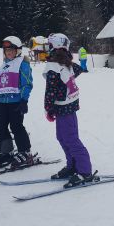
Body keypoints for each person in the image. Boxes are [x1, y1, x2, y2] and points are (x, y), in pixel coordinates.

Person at [44, 33, 93, 188]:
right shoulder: (65, 64)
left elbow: (50, 90)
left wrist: (48, 108)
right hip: (67, 106)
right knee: (62, 137)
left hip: (63, 107)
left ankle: (85, 171)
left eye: (49, 46)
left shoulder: (54, 66)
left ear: (53, 47)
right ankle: (72, 166)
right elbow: (77, 70)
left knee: (70, 139)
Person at [0, 36, 33, 169]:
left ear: (18, 50)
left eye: (11, 50)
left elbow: (27, 83)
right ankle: (7, 151)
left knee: (16, 126)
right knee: (0, 126)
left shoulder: (22, 64)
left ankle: (25, 152)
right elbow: (0, 85)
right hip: (2, 102)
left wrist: (24, 100)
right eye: (6, 50)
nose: (8, 52)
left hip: (16, 101)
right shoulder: (4, 65)